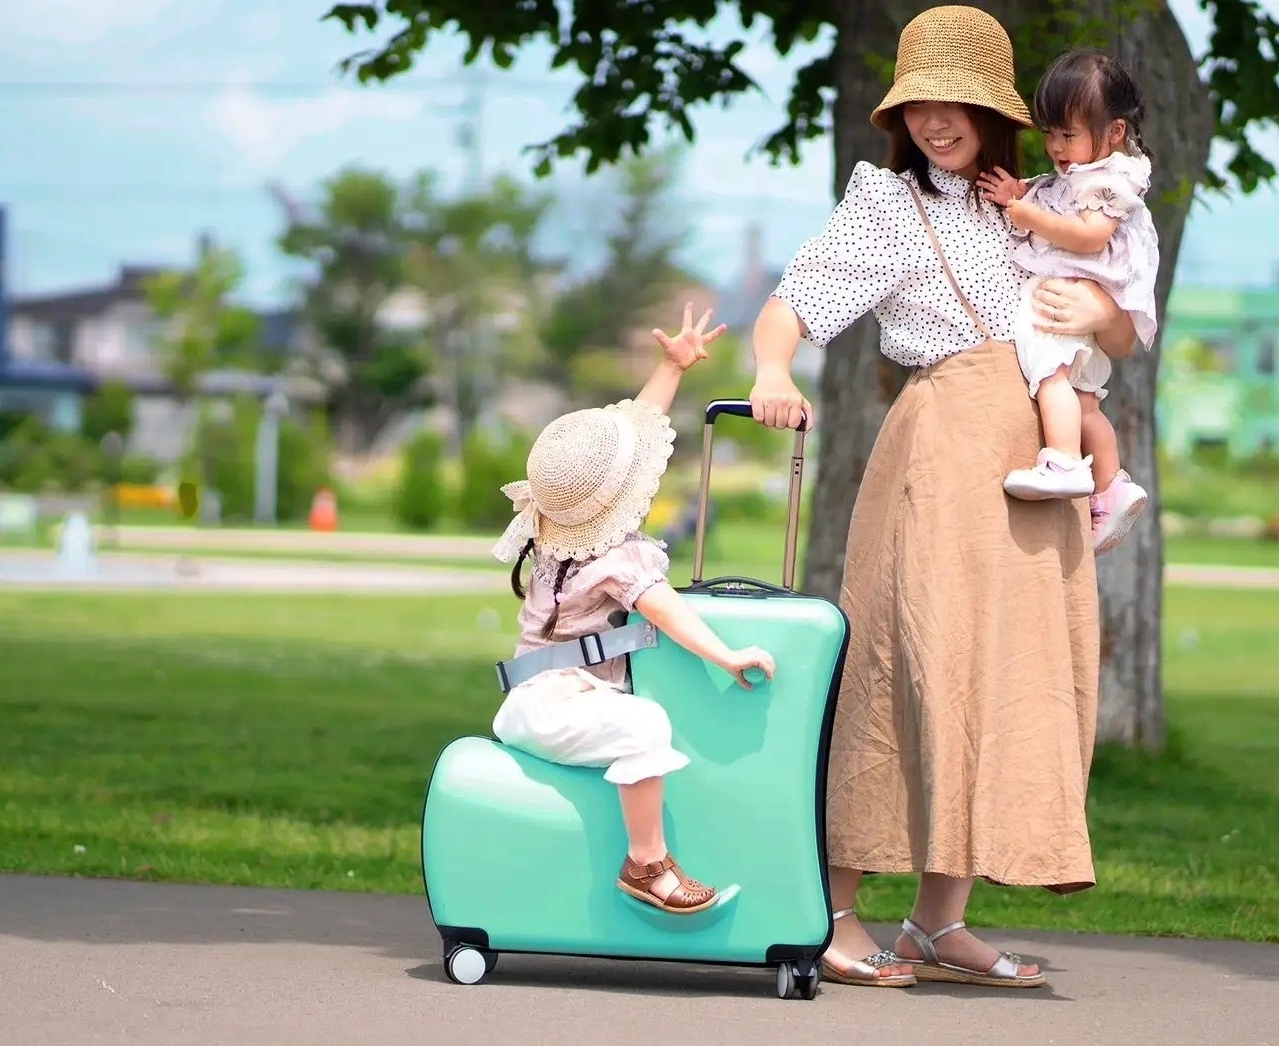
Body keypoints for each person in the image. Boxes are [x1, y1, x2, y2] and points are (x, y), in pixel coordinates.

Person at [746, 6, 1139, 989]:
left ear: (991, 110)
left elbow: (1122, 333)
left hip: (1030, 462)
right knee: (899, 668)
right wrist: (771, 369)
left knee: (997, 678)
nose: (932, 121)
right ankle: (830, 910)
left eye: (952, 102)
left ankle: (935, 920)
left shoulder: (1038, 198)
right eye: (916, 103)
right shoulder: (889, 203)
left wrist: (1100, 314)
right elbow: (796, 297)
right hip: (940, 450)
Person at [491, 304, 777, 915]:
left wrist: (671, 368)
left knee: (634, 721)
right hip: (552, 706)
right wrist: (727, 655)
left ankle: (647, 861)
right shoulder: (617, 560)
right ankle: (647, 866)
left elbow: (639, 425)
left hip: (528, 698)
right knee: (644, 726)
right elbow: (668, 611)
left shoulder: (554, 529)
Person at [977, 48, 1159, 554]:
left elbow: (1088, 236)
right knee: (1083, 405)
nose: (1056, 146)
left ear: (1115, 132)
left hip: (1068, 298)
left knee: (1051, 376)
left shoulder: (1112, 181)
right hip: (1082, 304)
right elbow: (1052, 196)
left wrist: (1022, 213)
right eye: (1049, 133)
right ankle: (1111, 486)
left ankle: (1061, 460)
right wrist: (1023, 193)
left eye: (1069, 134)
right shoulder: (1080, 175)